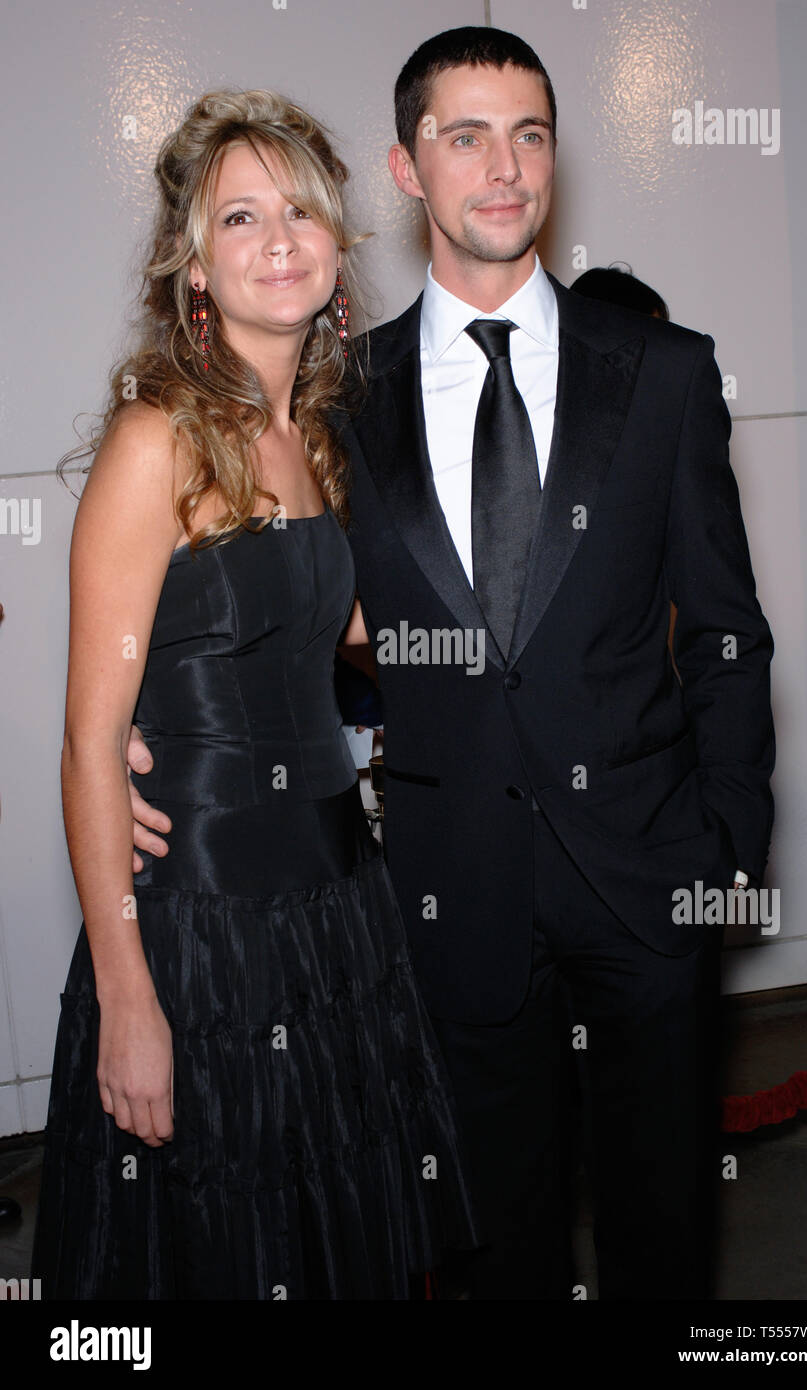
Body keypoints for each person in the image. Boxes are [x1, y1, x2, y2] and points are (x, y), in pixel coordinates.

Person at [129, 28, 776, 1301]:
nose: (503, 166)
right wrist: (162, 742)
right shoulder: (331, 401)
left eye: (528, 133)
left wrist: (728, 848)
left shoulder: (661, 372)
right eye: (464, 135)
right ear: (405, 166)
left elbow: (724, 632)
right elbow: (276, 609)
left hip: (649, 885)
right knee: (490, 1247)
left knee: (665, 1244)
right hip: (444, 900)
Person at [30, 88, 478, 1301]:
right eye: (239, 217)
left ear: (336, 250)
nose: (277, 238)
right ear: (192, 270)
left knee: (337, 1249)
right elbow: (85, 745)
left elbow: (364, 640)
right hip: (202, 928)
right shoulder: (154, 442)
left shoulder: (317, 441)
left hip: (338, 913)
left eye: (298, 210)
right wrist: (128, 999)